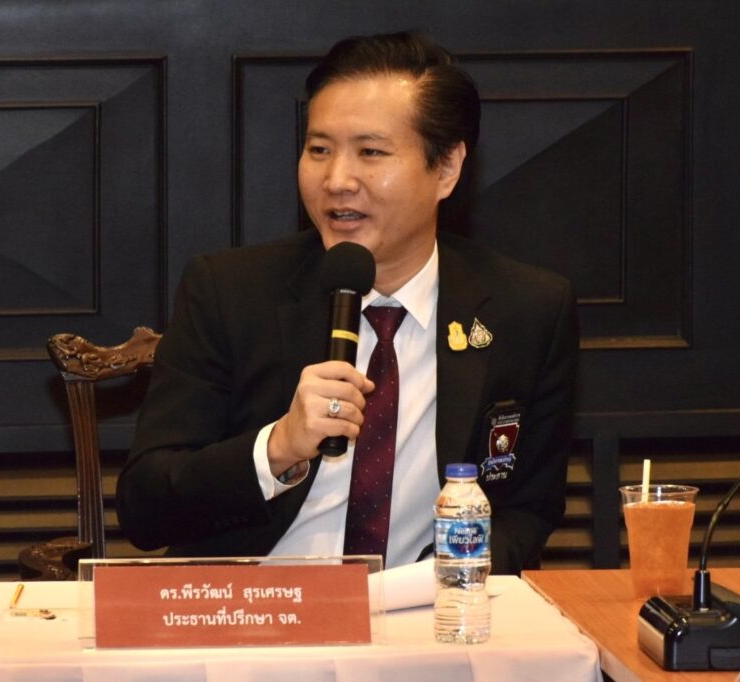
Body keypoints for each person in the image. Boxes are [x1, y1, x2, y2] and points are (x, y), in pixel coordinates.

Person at [116, 30, 578, 574]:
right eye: (319, 150)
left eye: (370, 152)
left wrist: (439, 581)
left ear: (447, 168)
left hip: (423, 610)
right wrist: (278, 447)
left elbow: (528, 508)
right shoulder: (228, 291)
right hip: (258, 608)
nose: (336, 180)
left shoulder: (528, 309)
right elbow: (145, 508)